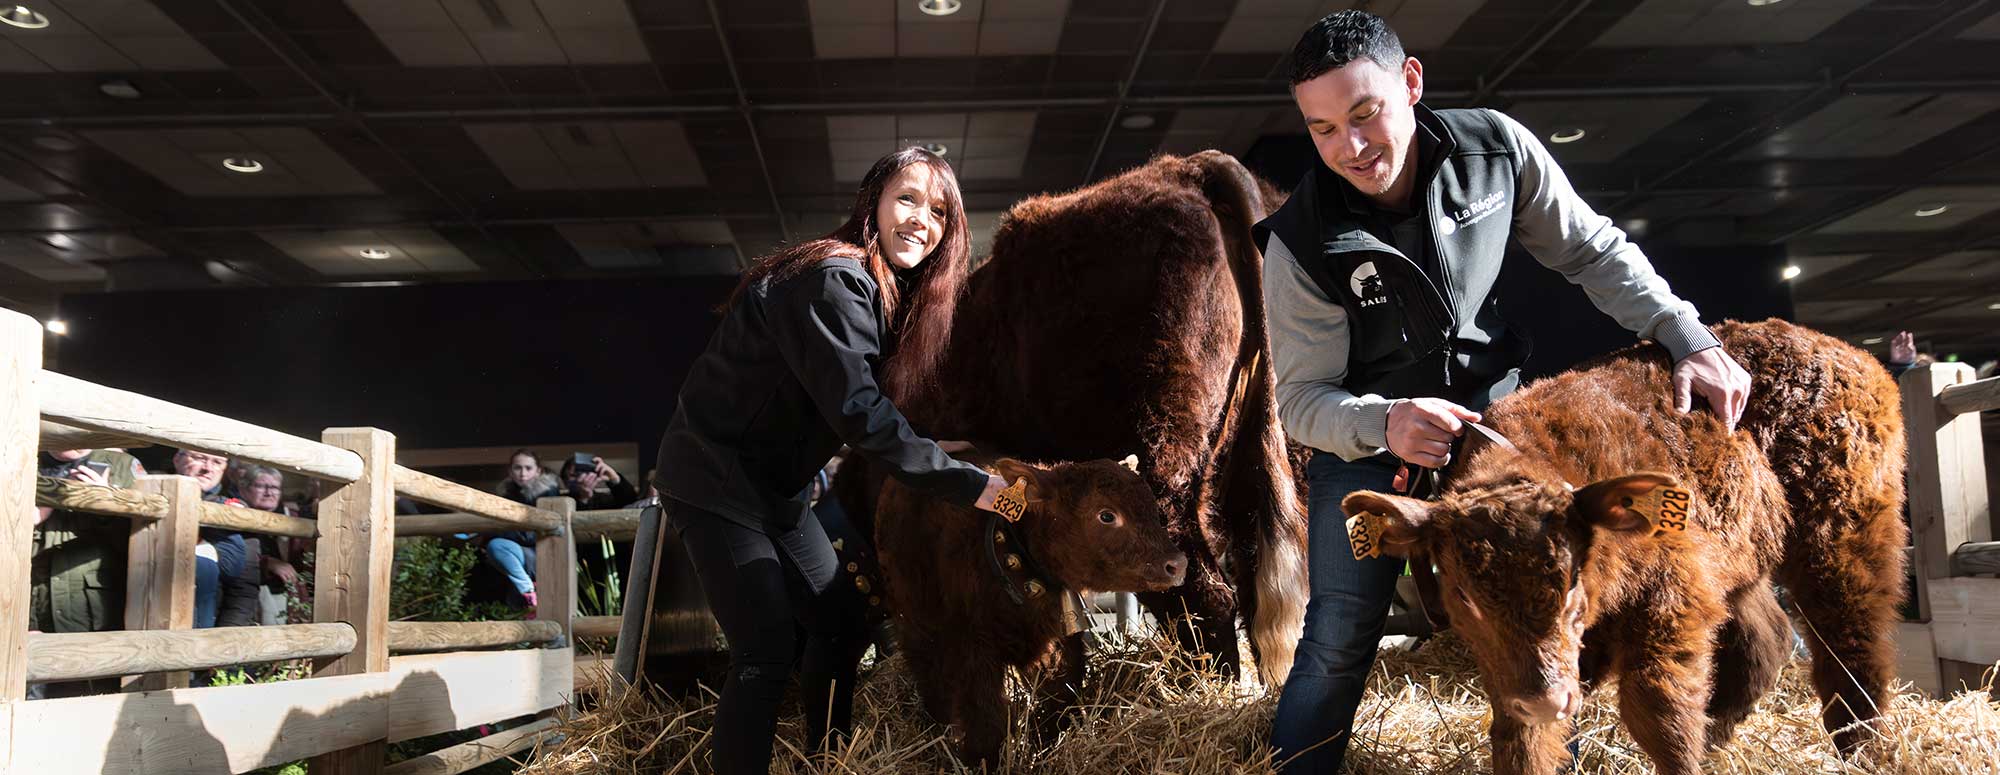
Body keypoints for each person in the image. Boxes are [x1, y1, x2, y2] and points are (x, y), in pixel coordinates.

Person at [1255, 12, 1754, 773]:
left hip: (1497, 437)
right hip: (1368, 446)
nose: (1350, 149)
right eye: (1322, 130)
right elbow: (1301, 400)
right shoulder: (1300, 241)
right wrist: (1383, 421)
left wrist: (1689, 333)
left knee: (1542, 600)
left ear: (1411, 83)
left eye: (1365, 114)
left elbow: (1591, 249)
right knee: (1340, 627)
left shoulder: (1494, 150)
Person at [649, 146, 1009, 774]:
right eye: (907, 198)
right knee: (764, 650)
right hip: (717, 481)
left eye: (940, 212)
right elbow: (864, 418)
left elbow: (869, 415)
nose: (922, 220)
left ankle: (829, 760)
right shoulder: (835, 280)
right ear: (873, 200)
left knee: (840, 620)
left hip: (777, 493)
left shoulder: (882, 295)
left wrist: (972, 457)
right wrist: (983, 489)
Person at [30, 448, 145, 698]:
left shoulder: (122, 465)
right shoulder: (18, 454)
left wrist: (108, 505)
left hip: (96, 619)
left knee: (93, 709)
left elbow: (149, 547)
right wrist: (30, 516)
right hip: (27, 613)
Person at [173, 449, 261, 628]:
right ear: (177, 459)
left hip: (208, 626)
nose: (208, 468)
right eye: (199, 458)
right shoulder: (146, 494)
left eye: (217, 462)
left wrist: (228, 636)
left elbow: (243, 588)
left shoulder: (236, 511)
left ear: (225, 469)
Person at [487, 448, 560, 610]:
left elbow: (534, 535)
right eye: (517, 468)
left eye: (528, 468)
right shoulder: (505, 495)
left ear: (538, 471)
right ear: (510, 471)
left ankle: (528, 591)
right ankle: (528, 591)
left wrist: (505, 531)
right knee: (495, 546)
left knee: (498, 544)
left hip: (543, 554)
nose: (522, 473)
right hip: (516, 557)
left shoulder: (548, 493)